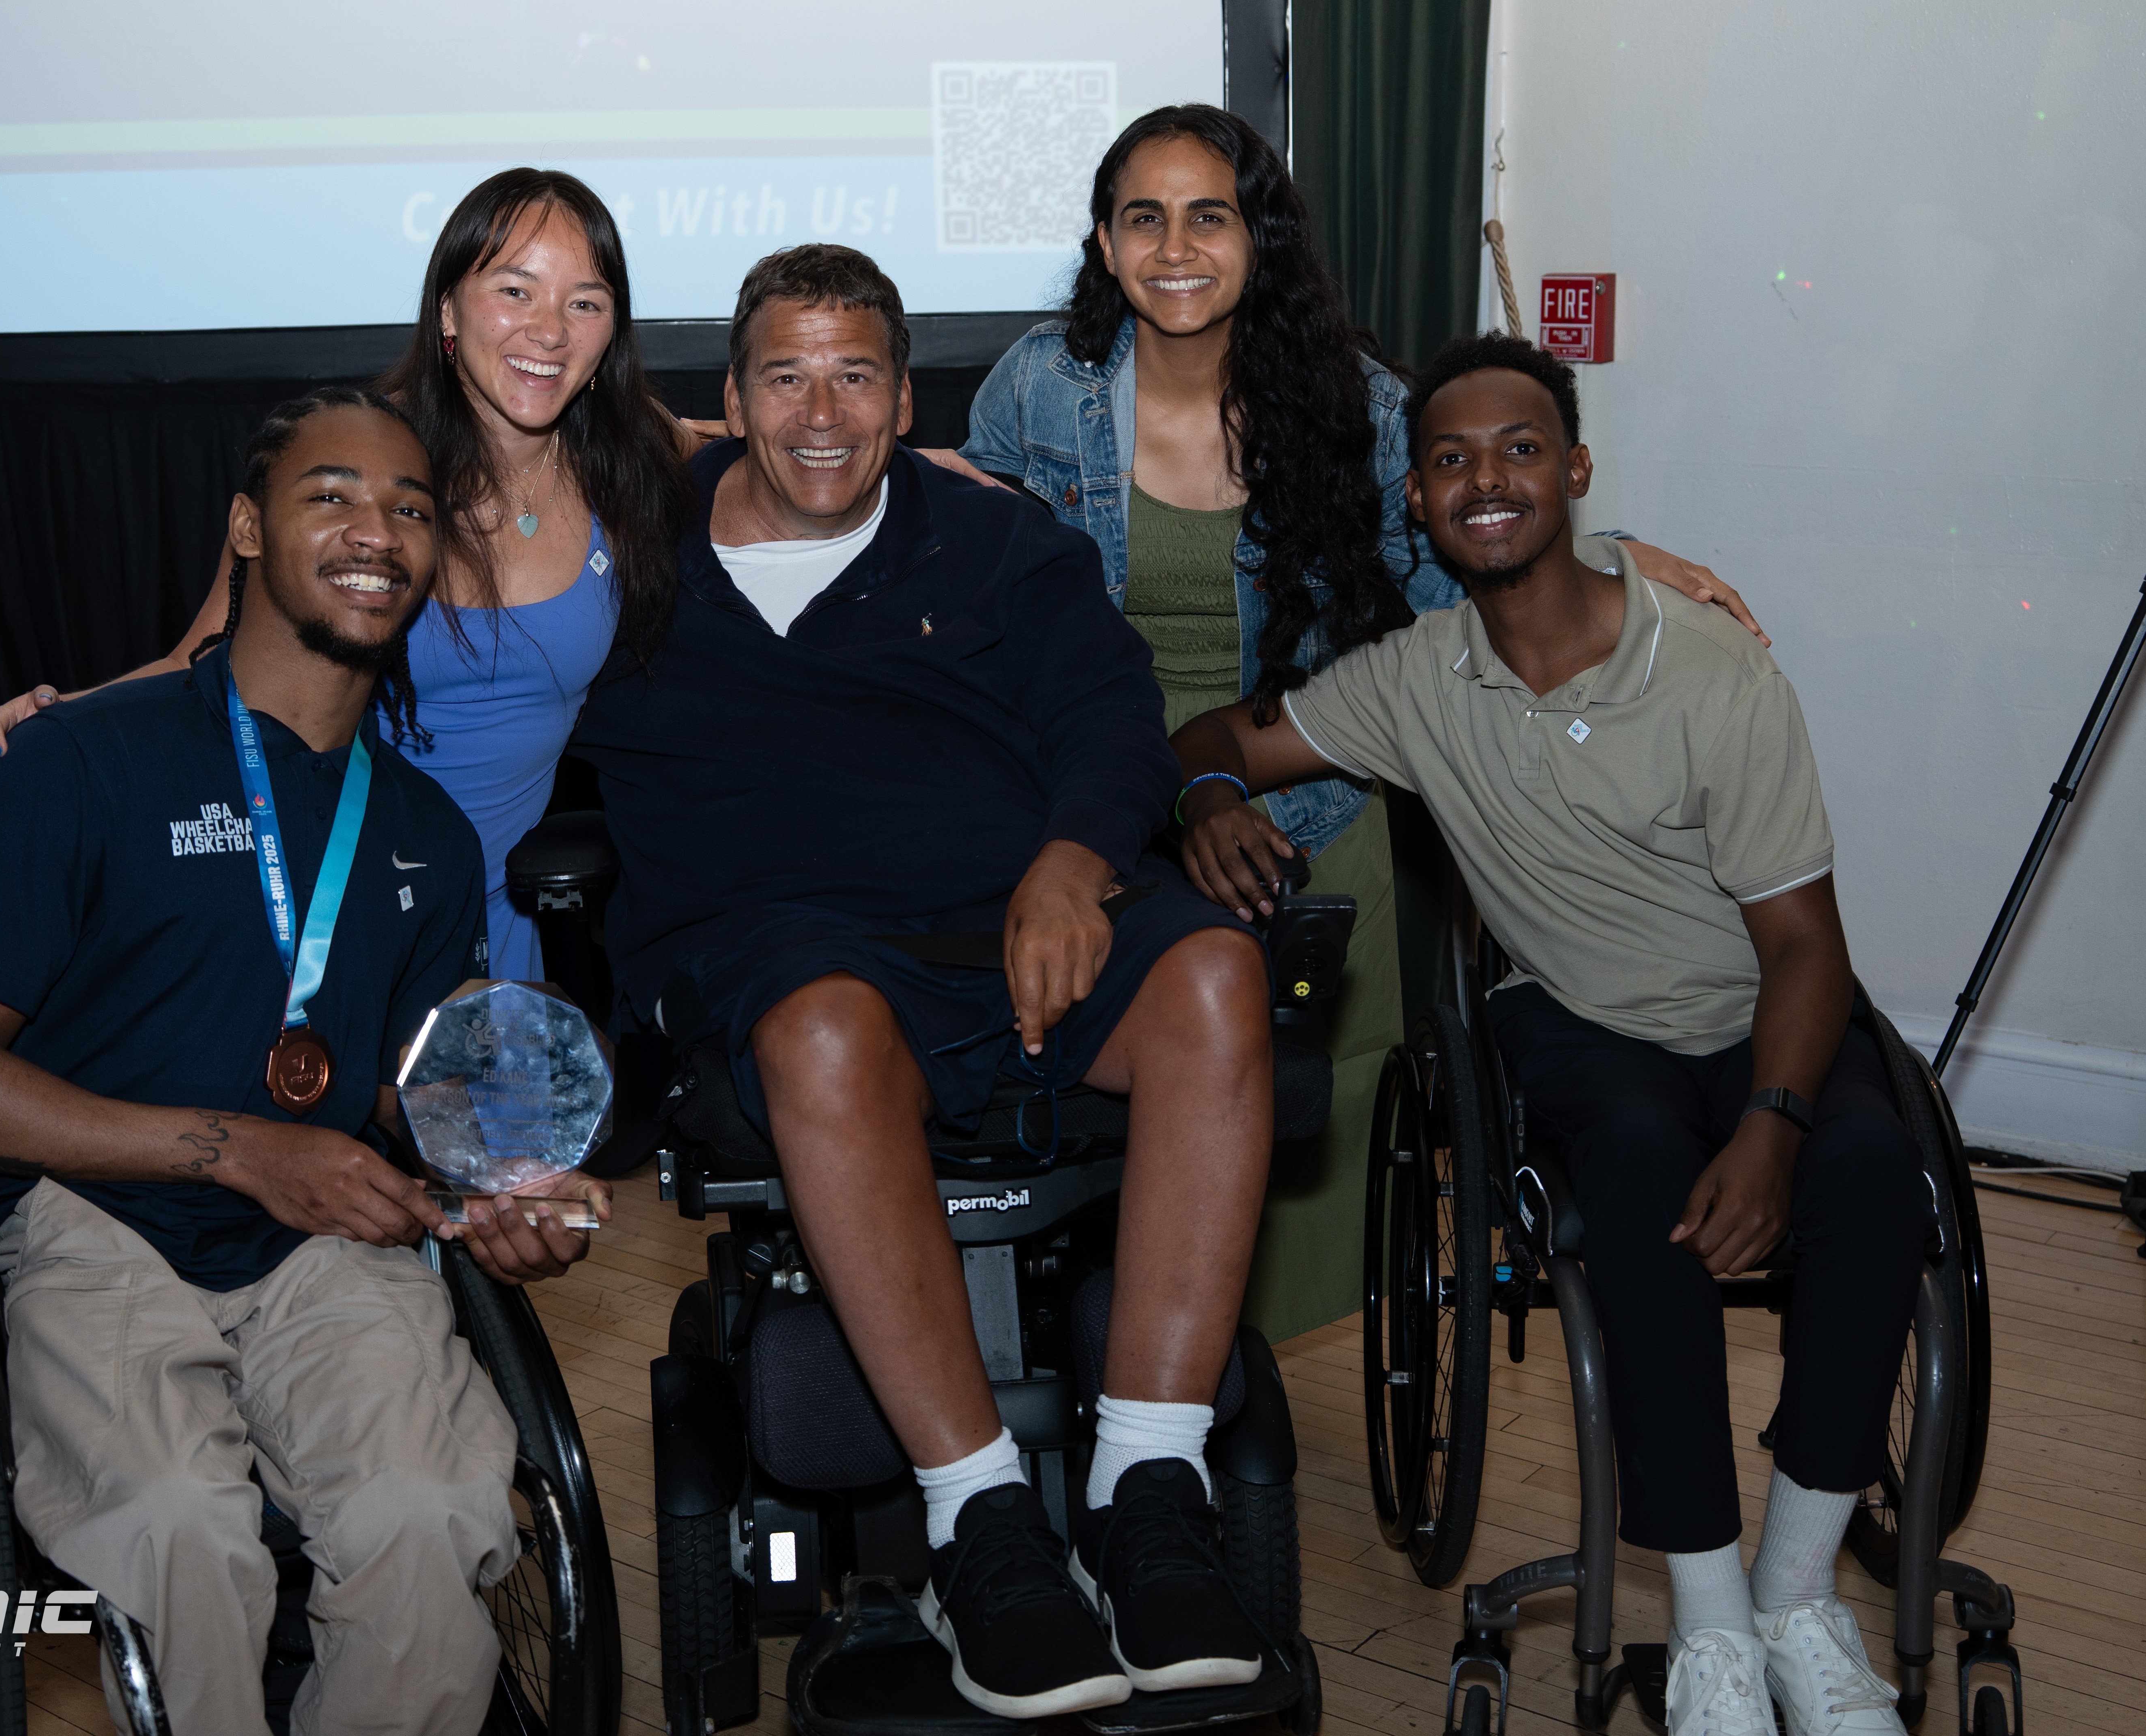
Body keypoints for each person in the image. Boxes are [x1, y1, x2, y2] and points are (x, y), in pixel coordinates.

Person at [1170, 334, 1923, 1736]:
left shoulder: (1710, 666)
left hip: (1763, 1010)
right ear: (1418, 503)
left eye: (1520, 448)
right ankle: (1705, 1623)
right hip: (1580, 1024)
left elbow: (1806, 945)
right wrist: (1214, 799)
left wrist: (1774, 1120)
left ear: (1574, 473)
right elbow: (1218, 729)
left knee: (1872, 1180)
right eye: (1450, 459)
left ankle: (1798, 1593)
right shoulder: (1411, 679)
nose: (1487, 479)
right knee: (1633, 1180)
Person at [568, 245, 1277, 1718]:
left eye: (854, 376)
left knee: (1216, 971)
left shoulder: (997, 539)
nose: (819, 411)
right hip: (772, 957)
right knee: (826, 1022)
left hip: (1006, 927)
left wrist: (1077, 855)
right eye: (785, 375)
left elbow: (1110, 713)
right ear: (731, 400)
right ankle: (982, 1523)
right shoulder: (629, 553)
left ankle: (1151, 1485)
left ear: (905, 398)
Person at [955, 104, 1765, 1344]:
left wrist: (1606, 558)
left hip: (1299, 791)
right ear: (1106, 245)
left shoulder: (1360, 407)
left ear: (1258, 237)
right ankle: (1139, 1376)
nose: (1176, 246)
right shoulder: (1039, 389)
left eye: (1209, 215)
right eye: (1144, 217)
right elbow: (976, 578)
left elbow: (1465, 573)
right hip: (1085, 789)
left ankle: (1237, 1402)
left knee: (1300, 1112)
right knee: (1104, 1114)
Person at [0, 391, 599, 1734]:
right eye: (332, 494)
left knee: (433, 1512)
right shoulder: (82, 760)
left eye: (410, 508)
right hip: (100, 1224)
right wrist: (232, 1146)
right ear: (247, 529)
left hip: (326, 1240)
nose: (377, 530)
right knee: (179, 1529)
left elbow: (416, 1091)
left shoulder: (430, 831)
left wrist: (507, 1184)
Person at [0, 168, 694, 990]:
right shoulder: (361, 462)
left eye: (584, 303)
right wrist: (57, 720)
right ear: (447, 309)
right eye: (516, 291)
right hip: (315, 900)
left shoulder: (633, 456)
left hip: (493, 923)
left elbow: (748, 448)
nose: (550, 332)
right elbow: (203, 659)